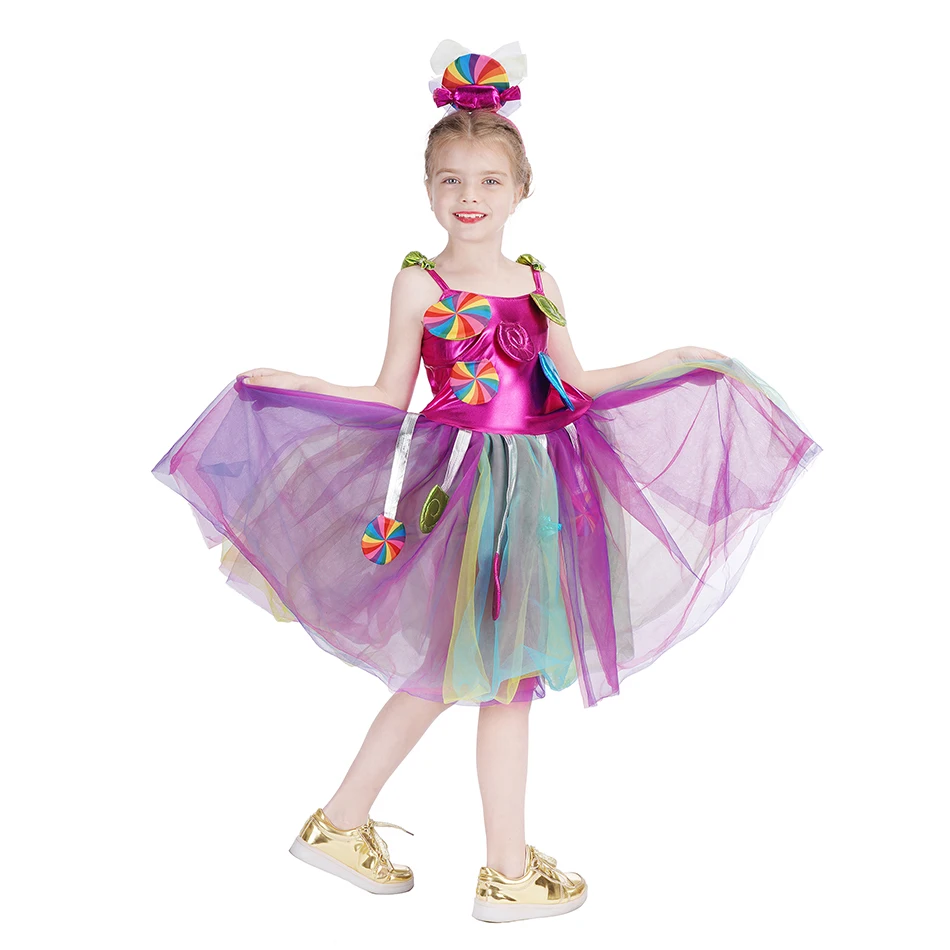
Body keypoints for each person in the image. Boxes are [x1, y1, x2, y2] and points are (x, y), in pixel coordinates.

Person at [151, 39, 823, 923]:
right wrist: (300, 385)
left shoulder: (538, 280)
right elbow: (389, 394)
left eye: (489, 181)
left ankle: (425, 845)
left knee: (499, 675)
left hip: (541, 492)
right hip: (464, 490)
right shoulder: (420, 285)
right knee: (465, 668)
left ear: (520, 190)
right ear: (428, 188)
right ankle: (436, 852)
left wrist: (676, 359)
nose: (469, 197)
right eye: (451, 181)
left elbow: (575, 383)